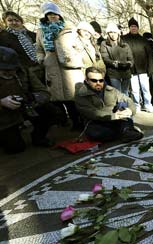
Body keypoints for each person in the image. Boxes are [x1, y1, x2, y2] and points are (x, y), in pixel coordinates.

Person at [36, 2, 85, 130]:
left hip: (70, 70)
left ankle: (79, 122)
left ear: (59, 15)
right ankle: (65, 121)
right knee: (58, 99)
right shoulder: (41, 32)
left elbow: (80, 48)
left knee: (73, 99)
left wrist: (73, 58)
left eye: (55, 14)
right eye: (49, 14)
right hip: (52, 67)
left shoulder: (69, 30)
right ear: (45, 16)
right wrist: (42, 58)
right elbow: (39, 49)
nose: (53, 16)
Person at [0, 47, 55, 154]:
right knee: (15, 148)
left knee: (51, 111)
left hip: (25, 108)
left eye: (12, 69)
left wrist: (31, 97)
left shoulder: (24, 71)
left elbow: (44, 93)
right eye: (4, 69)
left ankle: (38, 137)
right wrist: (2, 102)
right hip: (4, 117)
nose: (9, 72)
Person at [75, 66, 143, 143]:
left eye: (101, 80)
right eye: (94, 80)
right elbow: (92, 113)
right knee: (97, 134)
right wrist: (114, 116)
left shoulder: (110, 89)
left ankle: (125, 130)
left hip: (115, 119)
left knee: (123, 104)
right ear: (87, 80)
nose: (98, 83)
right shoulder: (81, 94)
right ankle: (125, 130)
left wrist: (130, 110)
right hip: (96, 122)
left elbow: (127, 100)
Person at [122, 17, 153, 113]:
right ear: (129, 27)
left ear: (138, 28)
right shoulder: (124, 39)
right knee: (135, 90)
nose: (133, 28)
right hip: (131, 69)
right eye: (132, 26)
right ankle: (137, 105)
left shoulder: (143, 40)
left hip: (143, 69)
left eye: (135, 26)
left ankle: (148, 104)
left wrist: (150, 68)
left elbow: (149, 55)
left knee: (145, 88)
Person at [0, 11, 42, 79]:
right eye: (10, 20)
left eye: (16, 20)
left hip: (42, 66)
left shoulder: (33, 35)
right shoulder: (3, 37)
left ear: (21, 22)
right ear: (5, 23)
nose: (14, 22)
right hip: (23, 72)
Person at [100, 22, 133, 96]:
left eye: (115, 32)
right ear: (108, 33)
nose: (113, 34)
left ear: (118, 33)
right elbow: (105, 58)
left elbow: (131, 58)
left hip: (126, 72)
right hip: (113, 73)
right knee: (117, 93)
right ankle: (119, 107)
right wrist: (115, 64)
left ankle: (125, 107)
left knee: (125, 93)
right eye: (111, 32)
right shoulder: (104, 44)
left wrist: (129, 64)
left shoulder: (125, 44)